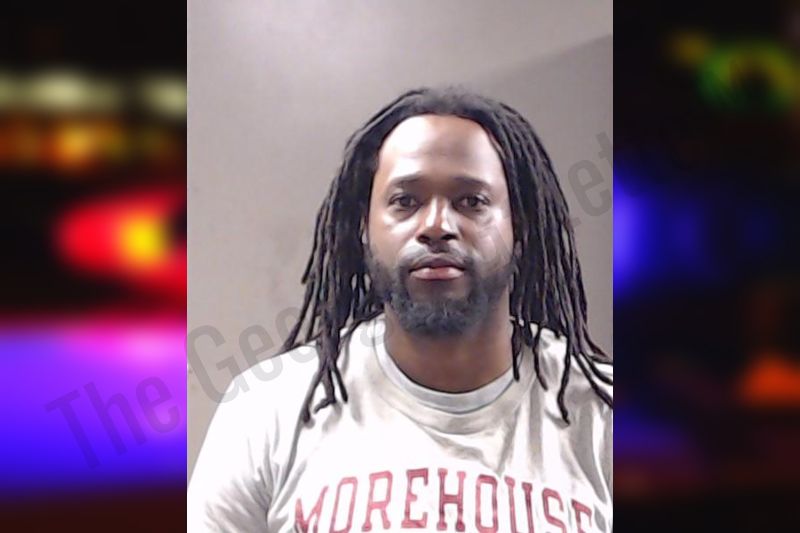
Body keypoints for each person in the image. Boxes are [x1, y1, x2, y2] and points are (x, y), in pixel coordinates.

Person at [188, 87, 613, 532]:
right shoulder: (268, 409)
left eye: (471, 201)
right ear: (363, 229)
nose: (436, 226)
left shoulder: (604, 418)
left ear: (520, 228)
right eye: (406, 201)